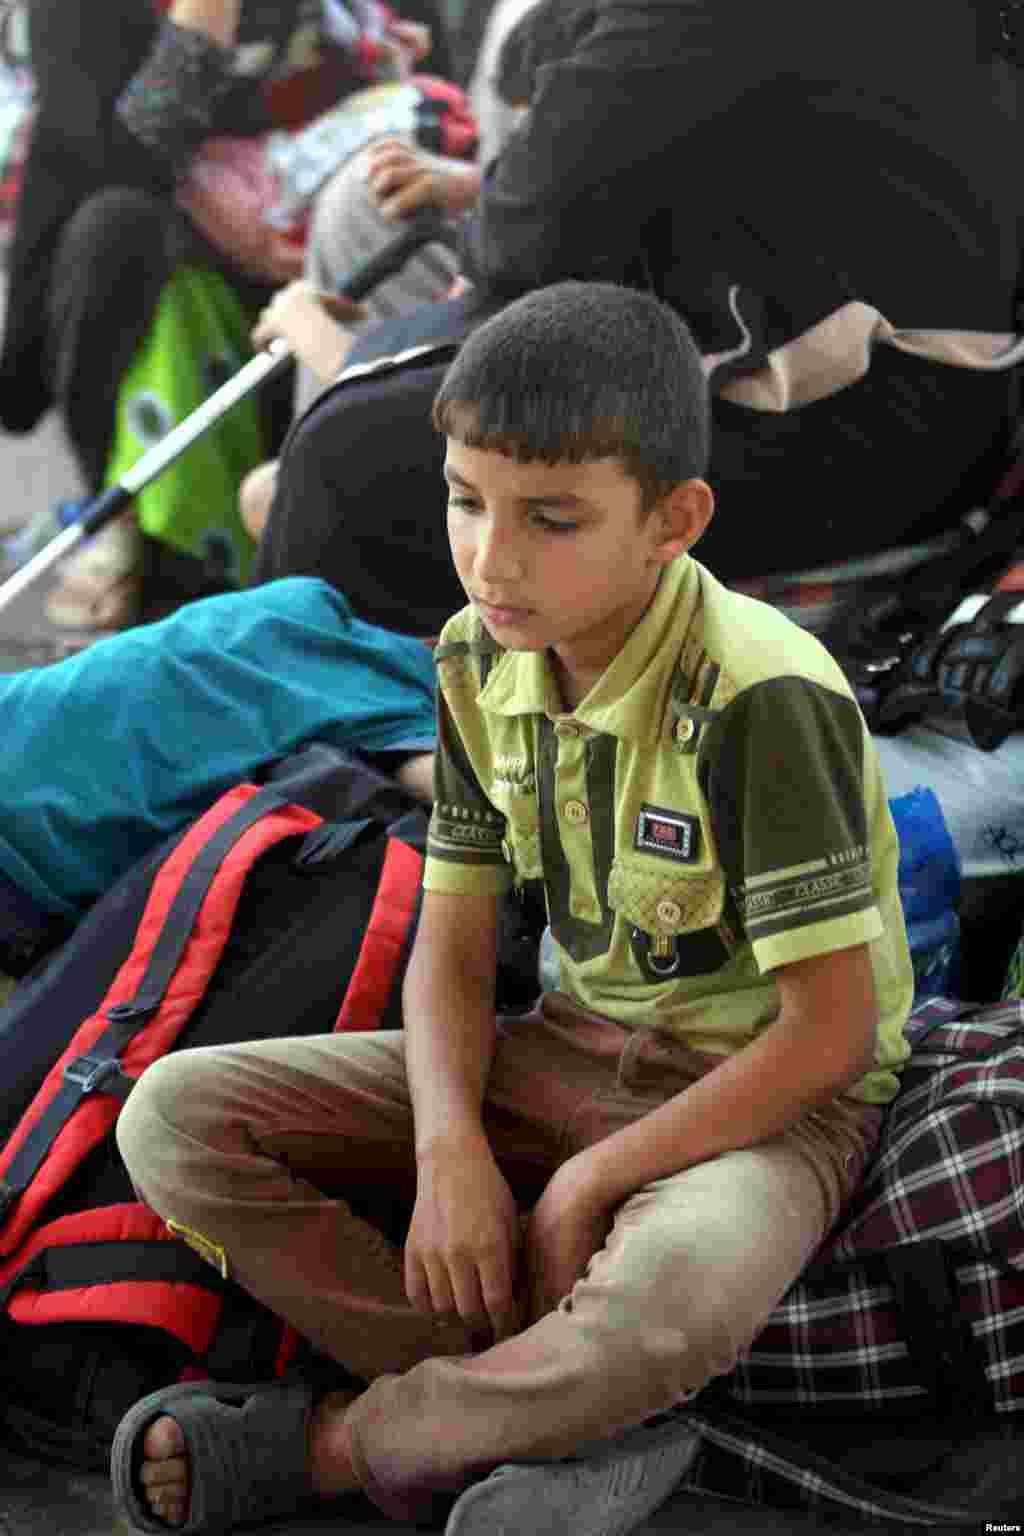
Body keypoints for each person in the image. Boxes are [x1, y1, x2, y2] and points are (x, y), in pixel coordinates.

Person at [111, 281, 913, 1534]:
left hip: (761, 1106)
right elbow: (454, 936)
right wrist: (449, 1153)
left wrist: (587, 1181)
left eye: (552, 519)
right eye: (465, 500)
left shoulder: (762, 695)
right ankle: (551, 1419)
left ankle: (341, 1444)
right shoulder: (477, 655)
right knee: (171, 1117)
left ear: (672, 520)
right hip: (566, 1052)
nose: (491, 558)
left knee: (675, 1297)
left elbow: (830, 1035)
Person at [253, 0, 1023, 643]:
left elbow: (528, 246)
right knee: (336, 419)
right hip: (928, 407)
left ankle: (351, 751)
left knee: (341, 460)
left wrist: (328, 342)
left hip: (864, 439)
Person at [0, 0, 440, 630]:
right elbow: (113, 164)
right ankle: (125, 518)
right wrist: (201, 31)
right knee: (119, 229)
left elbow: (422, 104)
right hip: (164, 246)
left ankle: (355, 535)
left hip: (313, 233)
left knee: (384, 205)